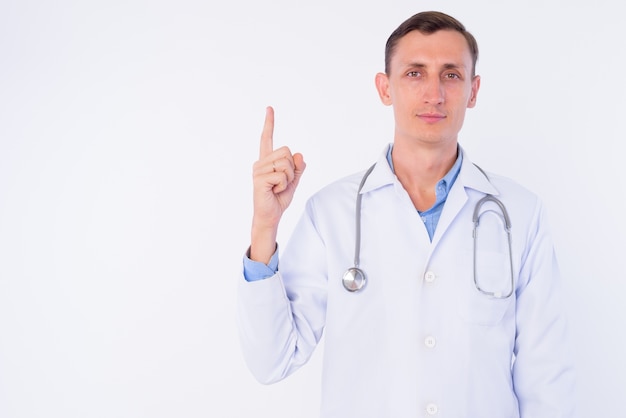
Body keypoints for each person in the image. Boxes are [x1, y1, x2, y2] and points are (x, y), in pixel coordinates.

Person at [237, 10, 576, 418]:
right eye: (415, 73)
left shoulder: (520, 213)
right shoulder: (331, 213)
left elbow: (547, 378)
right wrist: (265, 225)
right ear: (385, 88)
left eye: (451, 75)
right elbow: (273, 360)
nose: (434, 94)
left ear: (473, 90)